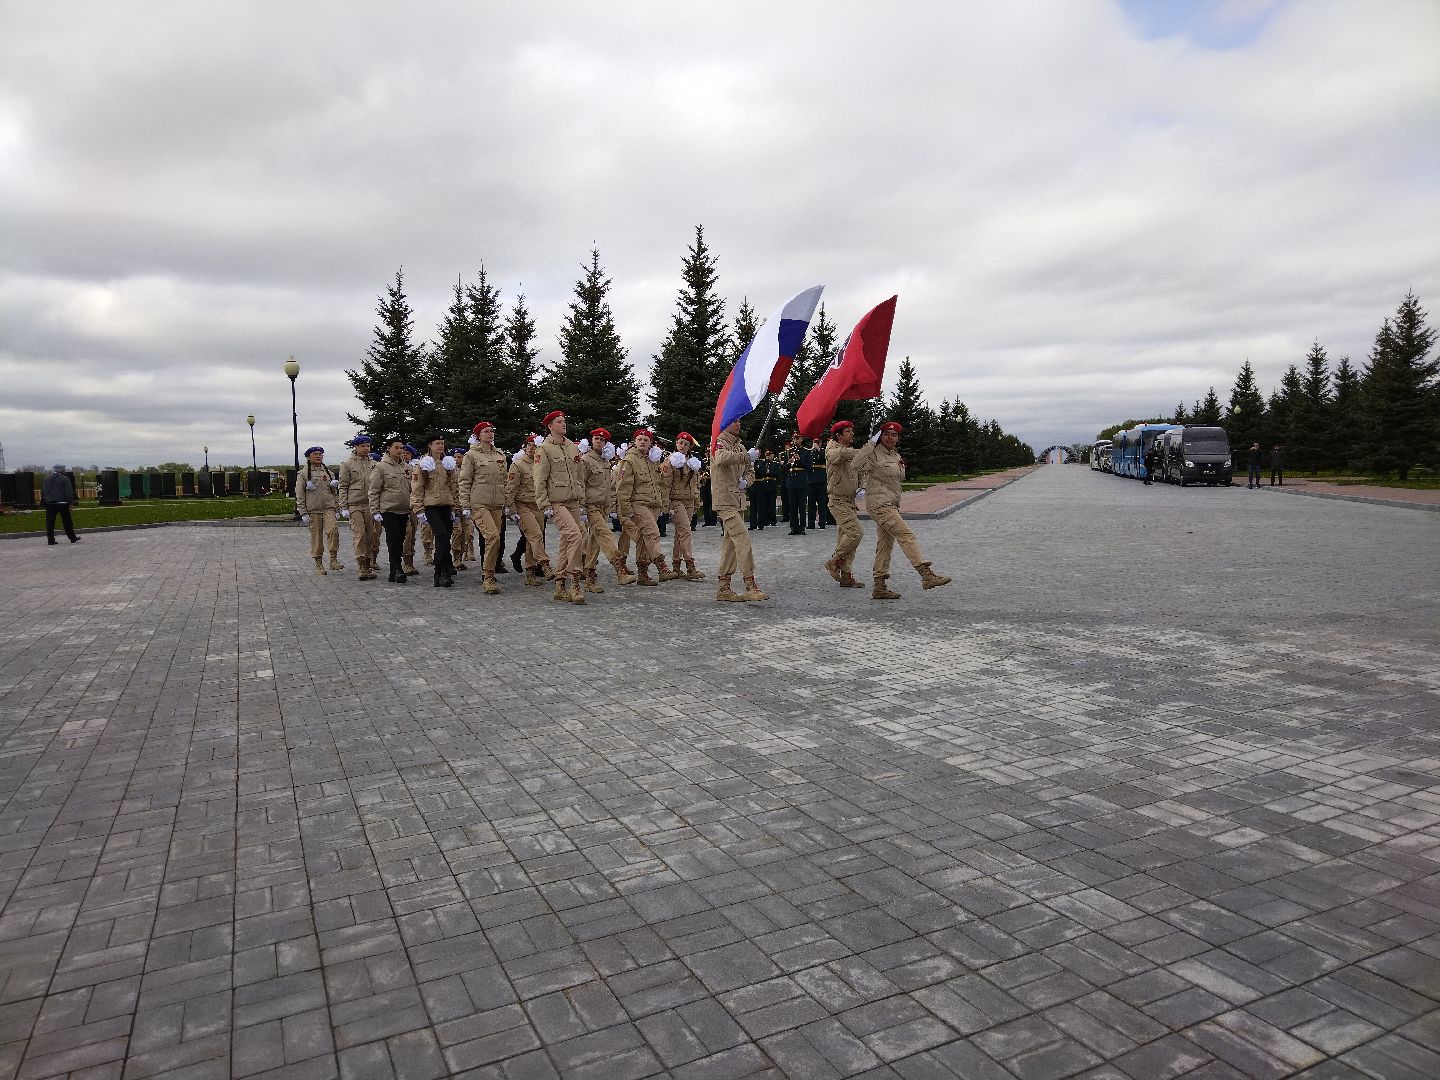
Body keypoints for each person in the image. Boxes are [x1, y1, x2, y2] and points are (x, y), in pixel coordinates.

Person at [854, 422, 952, 599]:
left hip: (891, 505)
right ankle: (926, 575)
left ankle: (879, 586)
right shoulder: (873, 454)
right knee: (907, 535)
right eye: (886, 434)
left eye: (894, 435)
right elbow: (856, 464)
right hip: (879, 505)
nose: (890, 438)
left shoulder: (895, 455)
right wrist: (869, 444)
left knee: (885, 545)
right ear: (880, 436)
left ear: (898, 438)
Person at [710, 420, 768, 601]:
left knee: (730, 545)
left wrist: (747, 481)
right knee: (743, 539)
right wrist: (746, 457)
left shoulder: (741, 446)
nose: (739, 424)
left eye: (740, 421)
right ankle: (749, 583)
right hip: (725, 500)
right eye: (734, 421)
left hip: (738, 500)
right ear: (726, 423)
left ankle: (724, 587)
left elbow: (750, 471)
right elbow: (720, 458)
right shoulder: (718, 441)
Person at [534, 409, 588, 604]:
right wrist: (544, 504)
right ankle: (574, 583)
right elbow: (539, 479)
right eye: (559, 422)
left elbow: (579, 476)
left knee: (567, 542)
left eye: (564, 421)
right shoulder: (544, 449)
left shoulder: (572, 448)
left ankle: (559, 585)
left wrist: (581, 501)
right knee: (575, 535)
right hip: (556, 502)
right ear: (550, 426)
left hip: (573, 501)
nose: (563, 424)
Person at [616, 429, 674, 586]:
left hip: (653, 505)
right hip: (638, 504)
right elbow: (623, 487)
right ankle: (662, 566)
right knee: (653, 533)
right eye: (639, 439)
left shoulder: (653, 460)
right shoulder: (629, 461)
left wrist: (664, 504)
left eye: (646, 440)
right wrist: (625, 509)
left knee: (644, 538)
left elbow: (661, 484)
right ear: (635, 441)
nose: (642, 442)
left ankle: (642, 573)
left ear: (650, 443)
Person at [579, 428, 635, 590]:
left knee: (595, 541)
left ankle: (589, 577)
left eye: (602, 440)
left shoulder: (605, 461)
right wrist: (582, 509)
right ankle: (620, 570)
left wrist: (611, 507)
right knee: (605, 534)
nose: (599, 442)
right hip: (591, 506)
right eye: (596, 439)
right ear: (591, 441)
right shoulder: (585, 460)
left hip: (603, 506)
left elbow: (610, 487)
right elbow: (580, 484)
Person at [458, 421, 508, 594]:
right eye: (486, 431)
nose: (490, 434)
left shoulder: (500, 455)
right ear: (478, 435)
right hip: (479, 503)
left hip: (496, 504)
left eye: (492, 431)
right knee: (492, 537)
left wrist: (506, 502)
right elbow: (464, 481)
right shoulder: (471, 456)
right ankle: (487, 576)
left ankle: (490, 573)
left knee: (496, 539)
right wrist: (465, 505)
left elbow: (505, 481)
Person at [411, 435, 460, 588]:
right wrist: (418, 509)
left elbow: (453, 487)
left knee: (445, 540)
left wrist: (455, 508)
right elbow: (417, 488)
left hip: (446, 505)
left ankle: (442, 573)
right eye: (437, 443)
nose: (440, 446)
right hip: (430, 505)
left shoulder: (448, 463)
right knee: (442, 535)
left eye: (442, 443)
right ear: (430, 445)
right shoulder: (424, 464)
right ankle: (440, 571)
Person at [822, 421, 865, 588]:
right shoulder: (831, 448)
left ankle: (846, 575)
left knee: (847, 540)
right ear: (839, 435)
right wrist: (862, 452)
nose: (852, 434)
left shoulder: (850, 452)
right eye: (848, 431)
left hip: (850, 501)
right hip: (838, 500)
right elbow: (836, 457)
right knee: (856, 533)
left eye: (852, 431)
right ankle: (834, 562)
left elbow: (861, 471)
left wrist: (862, 486)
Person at [505, 434, 550, 586]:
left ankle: (530, 572)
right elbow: (510, 489)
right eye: (529, 445)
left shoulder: (542, 463)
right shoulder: (517, 465)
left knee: (533, 540)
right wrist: (511, 509)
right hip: (522, 505)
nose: (532, 448)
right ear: (524, 447)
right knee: (535, 535)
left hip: (537, 506)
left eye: (534, 445)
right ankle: (545, 564)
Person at [367, 439, 412, 583]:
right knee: (394, 539)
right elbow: (374, 490)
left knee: (401, 539)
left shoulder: (407, 467)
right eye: (397, 447)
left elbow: (412, 489)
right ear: (389, 449)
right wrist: (375, 511)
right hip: (388, 509)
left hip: (404, 509)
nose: (400, 450)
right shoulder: (380, 467)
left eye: (402, 448)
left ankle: (394, 572)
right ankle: (397, 569)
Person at [295, 446, 342, 575]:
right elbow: (299, 495)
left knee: (333, 531)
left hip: (329, 508)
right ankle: (319, 563)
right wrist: (303, 512)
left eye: (320, 454)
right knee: (317, 537)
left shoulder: (328, 473)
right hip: (313, 510)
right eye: (315, 454)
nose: (319, 456)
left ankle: (333, 559)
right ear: (309, 457)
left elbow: (334, 492)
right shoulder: (303, 474)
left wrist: (337, 507)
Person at [665, 432, 706, 581]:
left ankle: (676, 566)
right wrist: (667, 504)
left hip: (689, 501)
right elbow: (666, 484)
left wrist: (696, 502)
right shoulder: (670, 461)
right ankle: (690, 566)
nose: (683, 446)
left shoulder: (692, 462)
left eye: (686, 444)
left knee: (680, 534)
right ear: (676, 444)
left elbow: (695, 484)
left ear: (689, 447)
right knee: (686, 532)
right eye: (680, 443)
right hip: (676, 501)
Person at [338, 434, 379, 579]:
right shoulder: (348, 464)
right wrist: (343, 506)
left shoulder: (374, 464)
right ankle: (361, 566)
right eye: (363, 446)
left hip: (370, 505)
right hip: (354, 504)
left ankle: (368, 565)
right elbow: (343, 486)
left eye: (368, 446)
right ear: (356, 447)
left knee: (370, 536)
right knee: (359, 535)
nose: (366, 448)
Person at [42, 464, 80, 545]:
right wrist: (71, 503)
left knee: (50, 522)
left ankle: (50, 540)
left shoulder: (47, 478)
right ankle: (72, 538)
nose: (65, 470)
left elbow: (44, 491)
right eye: (64, 469)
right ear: (61, 470)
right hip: (62, 503)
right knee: (67, 521)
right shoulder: (64, 478)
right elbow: (69, 492)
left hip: (50, 503)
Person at [783, 431, 810, 535]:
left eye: (797, 438)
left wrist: (800, 460)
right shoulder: (789, 452)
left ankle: (802, 527)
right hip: (791, 481)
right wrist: (788, 463)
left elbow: (809, 467)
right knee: (792, 506)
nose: (795, 440)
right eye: (794, 439)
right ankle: (794, 527)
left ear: (801, 439)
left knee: (802, 506)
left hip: (801, 481)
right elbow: (784, 468)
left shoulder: (806, 452)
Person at [399, 444, 420, 575]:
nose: (404, 455)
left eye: (407, 453)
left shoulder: (414, 468)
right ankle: (404, 561)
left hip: (413, 505)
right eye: (403, 452)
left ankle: (409, 560)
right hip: (400, 505)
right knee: (406, 534)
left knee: (412, 535)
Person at [807, 438, 830, 529]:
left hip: (821, 480)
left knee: (821, 503)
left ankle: (822, 523)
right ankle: (811, 523)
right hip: (811, 481)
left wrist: (819, 449)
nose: (815, 444)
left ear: (820, 443)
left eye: (817, 442)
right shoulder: (809, 452)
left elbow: (826, 459)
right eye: (814, 442)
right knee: (811, 504)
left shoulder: (824, 451)